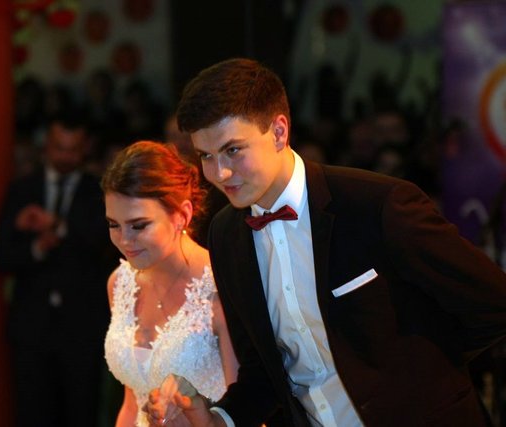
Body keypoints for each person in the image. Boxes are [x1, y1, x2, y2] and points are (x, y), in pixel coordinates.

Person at [146, 58, 506, 427]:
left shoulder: (377, 205)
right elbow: (262, 369)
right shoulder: (226, 235)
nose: (219, 172)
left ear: (279, 132)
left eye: (233, 150)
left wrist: (426, 380)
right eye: (206, 156)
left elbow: (493, 301)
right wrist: (217, 418)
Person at [101, 140, 239, 426]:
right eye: (114, 224)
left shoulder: (222, 286)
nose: (125, 240)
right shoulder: (119, 284)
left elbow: (247, 412)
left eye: (139, 225)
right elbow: (131, 405)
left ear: (182, 215)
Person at [0, 114, 117, 427]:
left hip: (82, 326)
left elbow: (105, 246)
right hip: (32, 326)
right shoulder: (23, 189)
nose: (65, 157)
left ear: (84, 149)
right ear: (46, 147)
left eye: (73, 150)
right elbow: (1, 256)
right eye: (59, 148)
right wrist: (36, 248)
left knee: (81, 411)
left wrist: (59, 226)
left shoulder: (99, 191)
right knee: (32, 412)